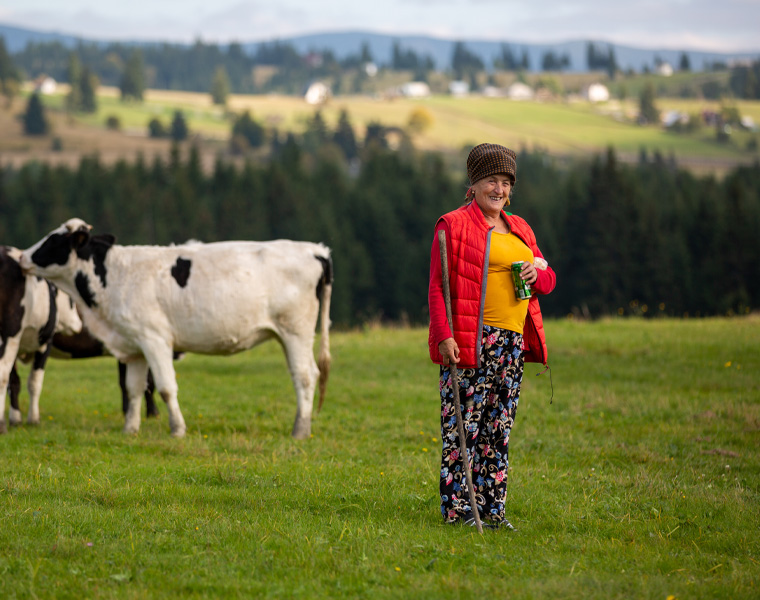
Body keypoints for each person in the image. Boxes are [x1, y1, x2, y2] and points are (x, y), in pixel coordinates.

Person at [428, 143, 556, 530]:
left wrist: (539, 277)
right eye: (491, 181)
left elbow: (548, 280)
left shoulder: (521, 229)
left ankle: (493, 512)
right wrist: (444, 336)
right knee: (463, 429)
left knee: (497, 430)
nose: (499, 189)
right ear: (474, 184)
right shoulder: (452, 225)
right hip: (471, 338)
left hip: (511, 344)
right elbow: (437, 288)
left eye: (505, 182)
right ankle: (458, 512)